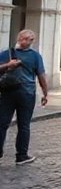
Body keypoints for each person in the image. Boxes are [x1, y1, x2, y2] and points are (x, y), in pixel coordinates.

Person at [0, 30, 49, 165]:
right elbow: (41, 76)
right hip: (26, 93)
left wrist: (6, 66)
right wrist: (45, 92)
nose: (26, 41)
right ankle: (21, 155)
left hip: (8, 92)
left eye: (28, 39)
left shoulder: (7, 53)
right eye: (26, 38)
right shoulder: (35, 56)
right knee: (23, 125)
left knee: (2, 123)